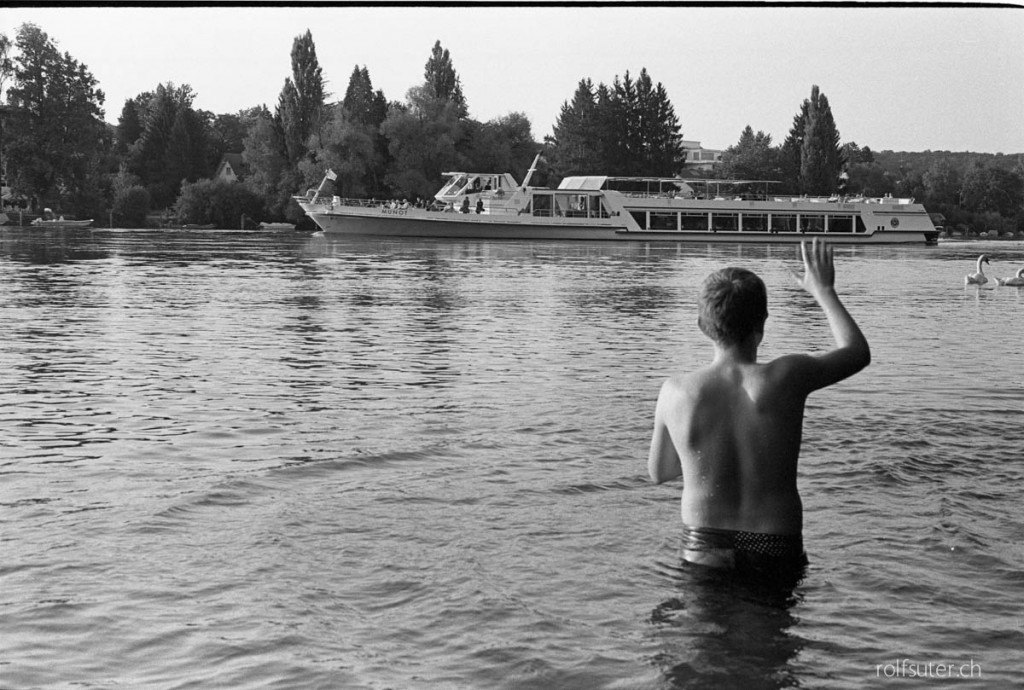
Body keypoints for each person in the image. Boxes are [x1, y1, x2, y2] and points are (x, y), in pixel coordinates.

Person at [648, 238, 870, 582]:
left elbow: (659, 472)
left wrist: (708, 459)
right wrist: (823, 291)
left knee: (703, 635)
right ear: (762, 324)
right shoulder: (786, 377)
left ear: (701, 326)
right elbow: (857, 352)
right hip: (775, 543)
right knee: (772, 636)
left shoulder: (675, 392)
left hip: (705, 544)